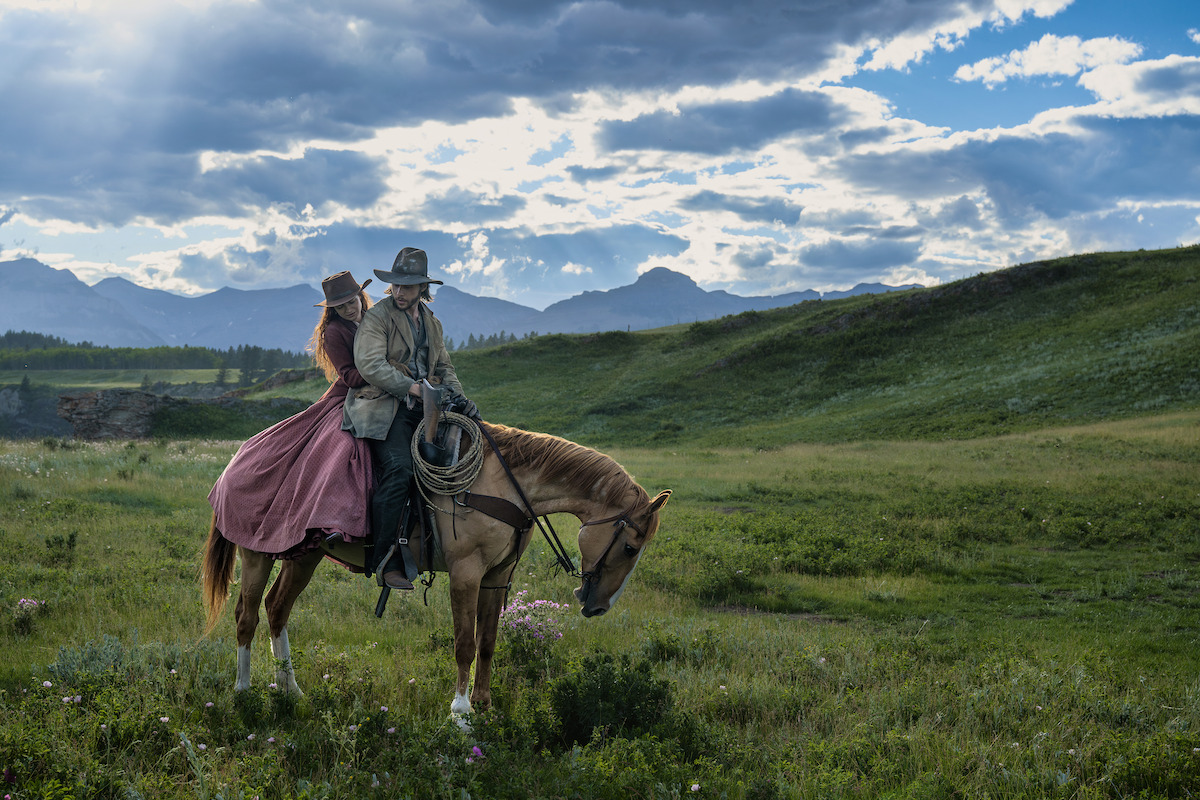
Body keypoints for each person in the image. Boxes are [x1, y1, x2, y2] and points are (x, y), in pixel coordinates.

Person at [208, 271, 375, 559]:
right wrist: (384, 372)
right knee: (343, 446)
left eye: (352, 301)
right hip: (347, 398)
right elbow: (347, 375)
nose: (349, 308)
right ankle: (330, 520)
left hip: (379, 395)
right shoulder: (334, 332)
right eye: (341, 306)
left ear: (360, 297)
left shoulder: (373, 322)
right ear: (333, 309)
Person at [343, 247, 478, 590]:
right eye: (396, 286)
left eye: (408, 286)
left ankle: (452, 544)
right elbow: (370, 365)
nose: (400, 292)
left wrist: (459, 398)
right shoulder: (378, 318)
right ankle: (384, 560)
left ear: (422, 287)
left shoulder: (432, 323)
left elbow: (444, 367)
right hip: (385, 408)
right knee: (401, 469)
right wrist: (413, 388)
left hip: (427, 410)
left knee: (468, 458)